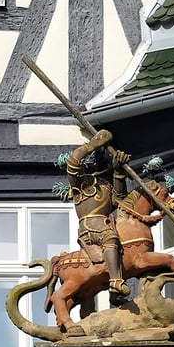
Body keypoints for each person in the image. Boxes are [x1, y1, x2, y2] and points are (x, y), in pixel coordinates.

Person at [63, 128, 130, 304]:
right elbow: (73, 162)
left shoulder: (106, 185)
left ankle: (114, 290)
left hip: (105, 222)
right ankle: (116, 282)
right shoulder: (82, 183)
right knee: (110, 237)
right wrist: (93, 144)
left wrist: (119, 172)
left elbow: (121, 199)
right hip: (91, 226)